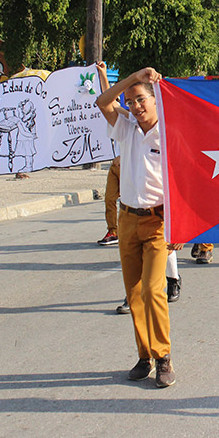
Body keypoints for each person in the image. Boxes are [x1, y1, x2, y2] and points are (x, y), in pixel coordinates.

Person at [96, 66, 177, 388]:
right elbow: (103, 102)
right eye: (131, 101)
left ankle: (163, 356)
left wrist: (180, 225)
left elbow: (182, 181)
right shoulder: (126, 128)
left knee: (152, 290)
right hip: (128, 219)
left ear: (155, 100)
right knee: (133, 294)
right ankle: (144, 354)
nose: (136, 106)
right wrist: (131, 80)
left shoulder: (170, 133)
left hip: (158, 221)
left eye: (142, 99)